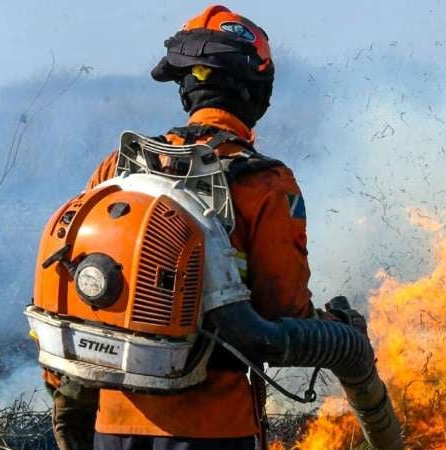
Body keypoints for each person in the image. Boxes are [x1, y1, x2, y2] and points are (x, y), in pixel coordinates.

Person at [46, 5, 315, 449]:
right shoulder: (267, 184)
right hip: (213, 429)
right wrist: (340, 329)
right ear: (256, 90)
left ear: (186, 90)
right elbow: (284, 313)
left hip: (113, 426)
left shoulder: (119, 172)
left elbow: (72, 286)